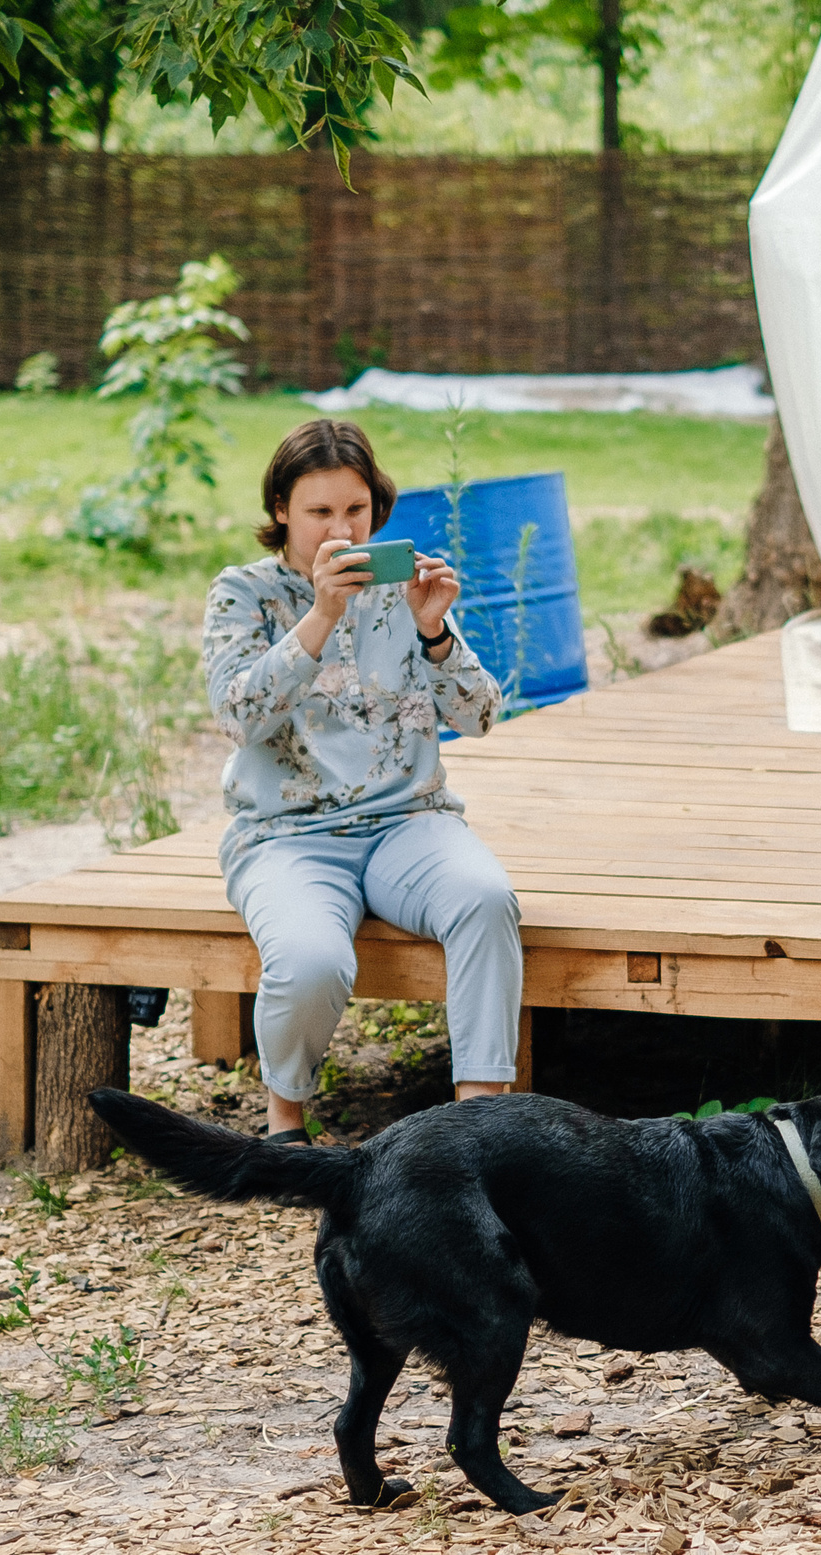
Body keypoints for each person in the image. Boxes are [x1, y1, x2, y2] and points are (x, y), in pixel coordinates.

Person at [202, 418, 523, 1143]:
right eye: (319, 512)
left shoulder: (399, 589)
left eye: (356, 509)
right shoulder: (243, 594)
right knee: (312, 960)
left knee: (485, 898)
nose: (340, 529)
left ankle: (483, 1131)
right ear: (281, 508)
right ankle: (286, 1123)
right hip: (286, 835)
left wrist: (436, 631)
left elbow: (479, 715)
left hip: (410, 822)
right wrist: (320, 615)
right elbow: (239, 714)